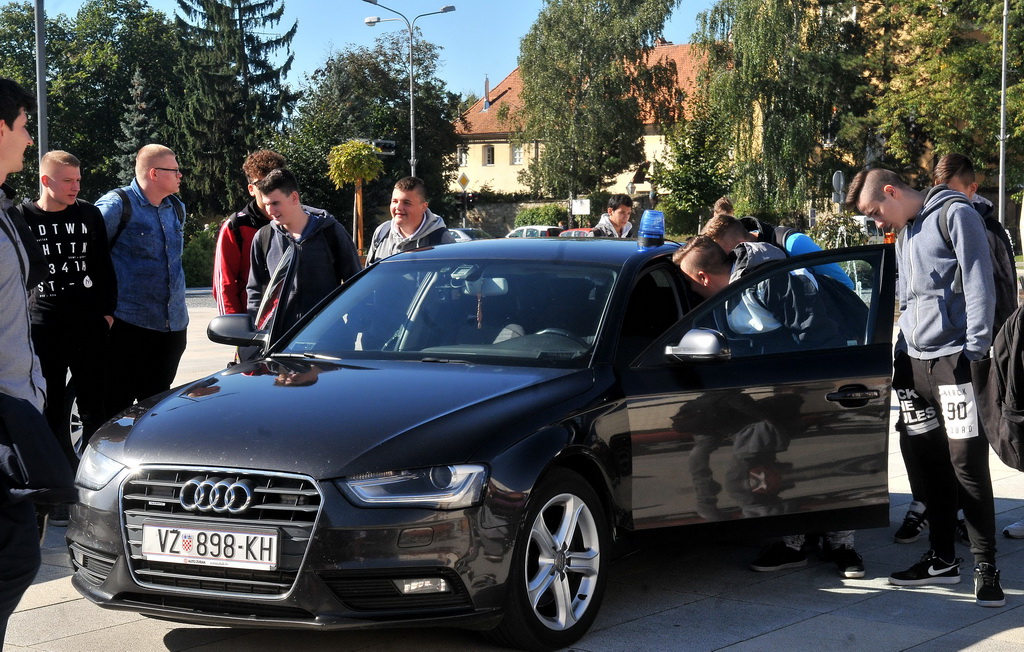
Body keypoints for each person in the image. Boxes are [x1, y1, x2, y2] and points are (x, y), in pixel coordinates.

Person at [847, 167, 1004, 607]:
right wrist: (900, 351)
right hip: (913, 365)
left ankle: (986, 565)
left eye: (875, 211)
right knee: (930, 464)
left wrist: (974, 354)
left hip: (954, 363)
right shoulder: (906, 231)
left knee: (967, 466)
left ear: (892, 192)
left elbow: (979, 283)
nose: (876, 222)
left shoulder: (956, 215)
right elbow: (912, 299)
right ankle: (941, 559)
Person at [673, 235, 864, 578]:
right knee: (780, 465)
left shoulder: (770, 281)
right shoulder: (732, 292)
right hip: (770, 390)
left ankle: (842, 544)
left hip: (811, 382)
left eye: (690, 284)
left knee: (824, 460)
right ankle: (793, 543)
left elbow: (817, 335)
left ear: (703, 278)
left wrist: (812, 393)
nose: (692, 294)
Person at [13, 151, 116, 460]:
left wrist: (107, 313)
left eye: (79, 180)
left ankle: (92, 472)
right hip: (44, 328)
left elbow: (103, 266)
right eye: (68, 181)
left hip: (89, 326)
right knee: (51, 407)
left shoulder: (88, 214)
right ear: (46, 181)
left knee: (94, 406)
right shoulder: (22, 217)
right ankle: (57, 479)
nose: (76, 187)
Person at [95, 144, 188, 418]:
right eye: (174, 169)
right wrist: (103, 312)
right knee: (117, 407)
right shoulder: (117, 205)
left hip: (172, 327)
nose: (180, 175)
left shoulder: (176, 207)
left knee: (156, 407)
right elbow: (90, 256)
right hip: (128, 326)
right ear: (154, 173)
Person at [0, 76, 44, 646]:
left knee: (18, 557)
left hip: (15, 416)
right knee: (15, 559)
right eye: (24, 125)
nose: (30, 139)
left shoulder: (5, 208)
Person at [246, 168, 360, 332]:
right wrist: (255, 332)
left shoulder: (331, 232)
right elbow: (255, 289)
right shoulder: (263, 237)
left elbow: (355, 283)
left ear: (294, 197)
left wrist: (351, 330)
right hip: (279, 341)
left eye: (275, 203)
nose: (270, 211)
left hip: (326, 338)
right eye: (267, 204)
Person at [213, 149, 286, 315]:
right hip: (254, 324)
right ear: (251, 189)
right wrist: (236, 328)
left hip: (299, 322)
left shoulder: (302, 221)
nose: (269, 188)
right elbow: (224, 284)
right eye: (261, 183)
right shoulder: (236, 226)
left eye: (275, 181)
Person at [702, 214, 854, 289]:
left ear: (742, 244)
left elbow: (845, 285)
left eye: (728, 255)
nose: (728, 262)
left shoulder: (792, 243)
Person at [364, 176, 454, 265]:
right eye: (395, 201)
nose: (398, 207)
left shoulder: (441, 239)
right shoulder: (382, 232)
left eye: (406, 203)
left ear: (423, 207)